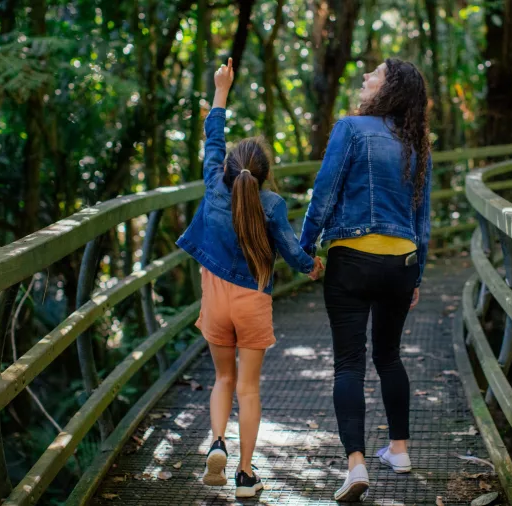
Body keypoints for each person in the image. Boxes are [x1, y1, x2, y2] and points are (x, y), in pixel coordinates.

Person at [176, 58, 324, 498]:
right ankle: (244, 475)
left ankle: (217, 442)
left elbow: (212, 138)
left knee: (222, 379)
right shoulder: (272, 205)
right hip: (252, 300)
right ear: (262, 176)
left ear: (226, 168)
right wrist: (313, 266)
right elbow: (295, 254)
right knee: (249, 388)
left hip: (215, 298)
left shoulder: (212, 184)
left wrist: (222, 90)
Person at [299, 58, 432, 502]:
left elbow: (325, 191)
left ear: (388, 86)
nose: (364, 78)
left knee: (349, 363)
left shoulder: (351, 129)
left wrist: (305, 248)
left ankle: (355, 465)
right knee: (389, 357)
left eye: (372, 74)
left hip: (351, 260)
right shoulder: (416, 142)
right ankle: (399, 450)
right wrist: (419, 273)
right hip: (401, 263)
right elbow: (422, 219)